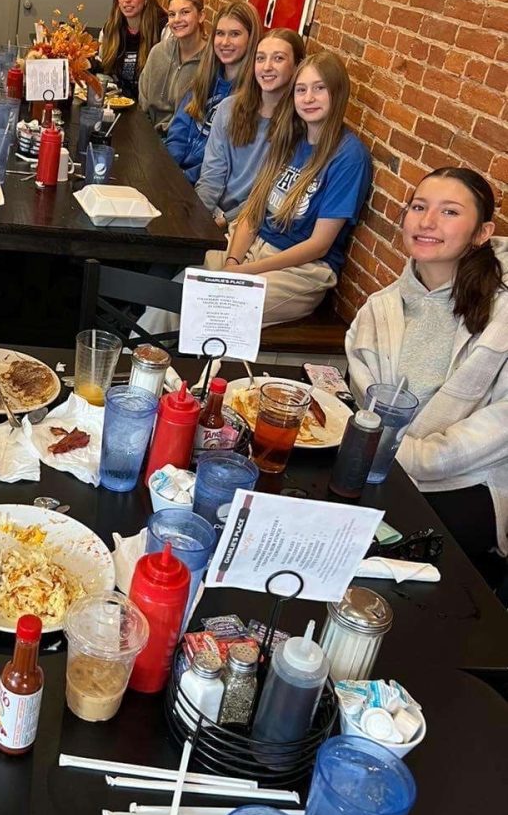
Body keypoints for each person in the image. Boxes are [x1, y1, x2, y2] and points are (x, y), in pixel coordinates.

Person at [346, 167, 508, 594]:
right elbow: (366, 400)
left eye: (449, 211)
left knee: (386, 551)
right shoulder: (378, 310)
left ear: (481, 232)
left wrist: (412, 459)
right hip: (383, 465)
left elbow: (502, 423)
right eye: (419, 207)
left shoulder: (502, 311)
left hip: (470, 478)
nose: (427, 222)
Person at [204, 51, 372, 325]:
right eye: (301, 90)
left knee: (213, 309)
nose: (308, 98)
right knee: (178, 285)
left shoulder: (349, 156)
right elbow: (252, 213)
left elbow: (319, 245)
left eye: (320, 89)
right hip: (252, 248)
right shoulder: (290, 139)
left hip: (300, 269)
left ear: (338, 94)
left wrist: (245, 273)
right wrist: (233, 263)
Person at [195, 28, 305, 222]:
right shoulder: (228, 109)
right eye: (260, 58)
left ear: (297, 66)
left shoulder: (298, 127)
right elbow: (212, 174)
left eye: (278, 59)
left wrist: (225, 221)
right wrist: (199, 218)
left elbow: (268, 196)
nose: (267, 67)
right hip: (213, 213)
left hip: (251, 222)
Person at [164, 1, 261, 182]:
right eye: (220, 34)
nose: (225, 42)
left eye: (235, 34)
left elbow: (226, 162)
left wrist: (185, 179)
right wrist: (170, 168)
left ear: (251, 38)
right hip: (176, 175)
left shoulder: (255, 94)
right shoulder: (206, 77)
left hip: (205, 185)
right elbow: (179, 129)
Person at [138, 0, 208, 133]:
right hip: (148, 133)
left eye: (185, 12)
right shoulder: (158, 52)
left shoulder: (209, 62)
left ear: (201, 16)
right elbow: (143, 99)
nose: (177, 20)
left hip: (182, 142)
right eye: (172, 14)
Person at [97, 0, 167, 102]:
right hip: (116, 103)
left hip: (149, 108)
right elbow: (103, 69)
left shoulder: (163, 28)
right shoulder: (110, 28)